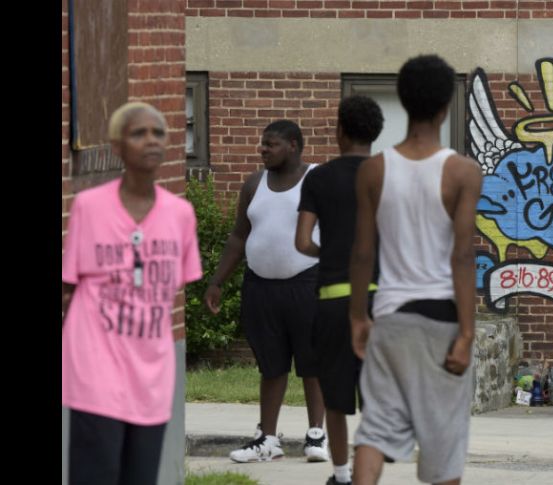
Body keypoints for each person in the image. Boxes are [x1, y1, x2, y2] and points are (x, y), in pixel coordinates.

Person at [348, 54, 482, 485]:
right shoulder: (462, 171)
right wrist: (467, 334)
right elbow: (463, 255)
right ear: (446, 105)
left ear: (403, 101)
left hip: (390, 315)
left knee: (376, 427)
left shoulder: (373, 170)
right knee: (443, 439)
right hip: (441, 317)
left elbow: (362, 253)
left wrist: (357, 316)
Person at [62, 102, 203, 485]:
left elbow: (173, 287)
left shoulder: (180, 215)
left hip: (151, 375)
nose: (151, 140)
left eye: (158, 133)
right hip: (95, 371)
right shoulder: (90, 207)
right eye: (139, 133)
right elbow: (69, 287)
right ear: (118, 147)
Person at [204, 120, 329, 463]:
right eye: (263, 144)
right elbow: (238, 236)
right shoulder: (253, 183)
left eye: (270, 144)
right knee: (271, 364)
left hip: (308, 283)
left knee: (312, 361)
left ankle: (316, 436)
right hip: (260, 287)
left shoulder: (317, 179)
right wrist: (217, 281)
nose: (263, 149)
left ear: (293, 145)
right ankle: (267, 440)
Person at [295, 96, 384, 485]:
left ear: (340, 131)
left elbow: (302, 242)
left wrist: (330, 251)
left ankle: (342, 475)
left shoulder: (318, 178)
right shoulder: (388, 176)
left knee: (335, 397)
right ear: (375, 133)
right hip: (379, 300)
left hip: (332, 301)